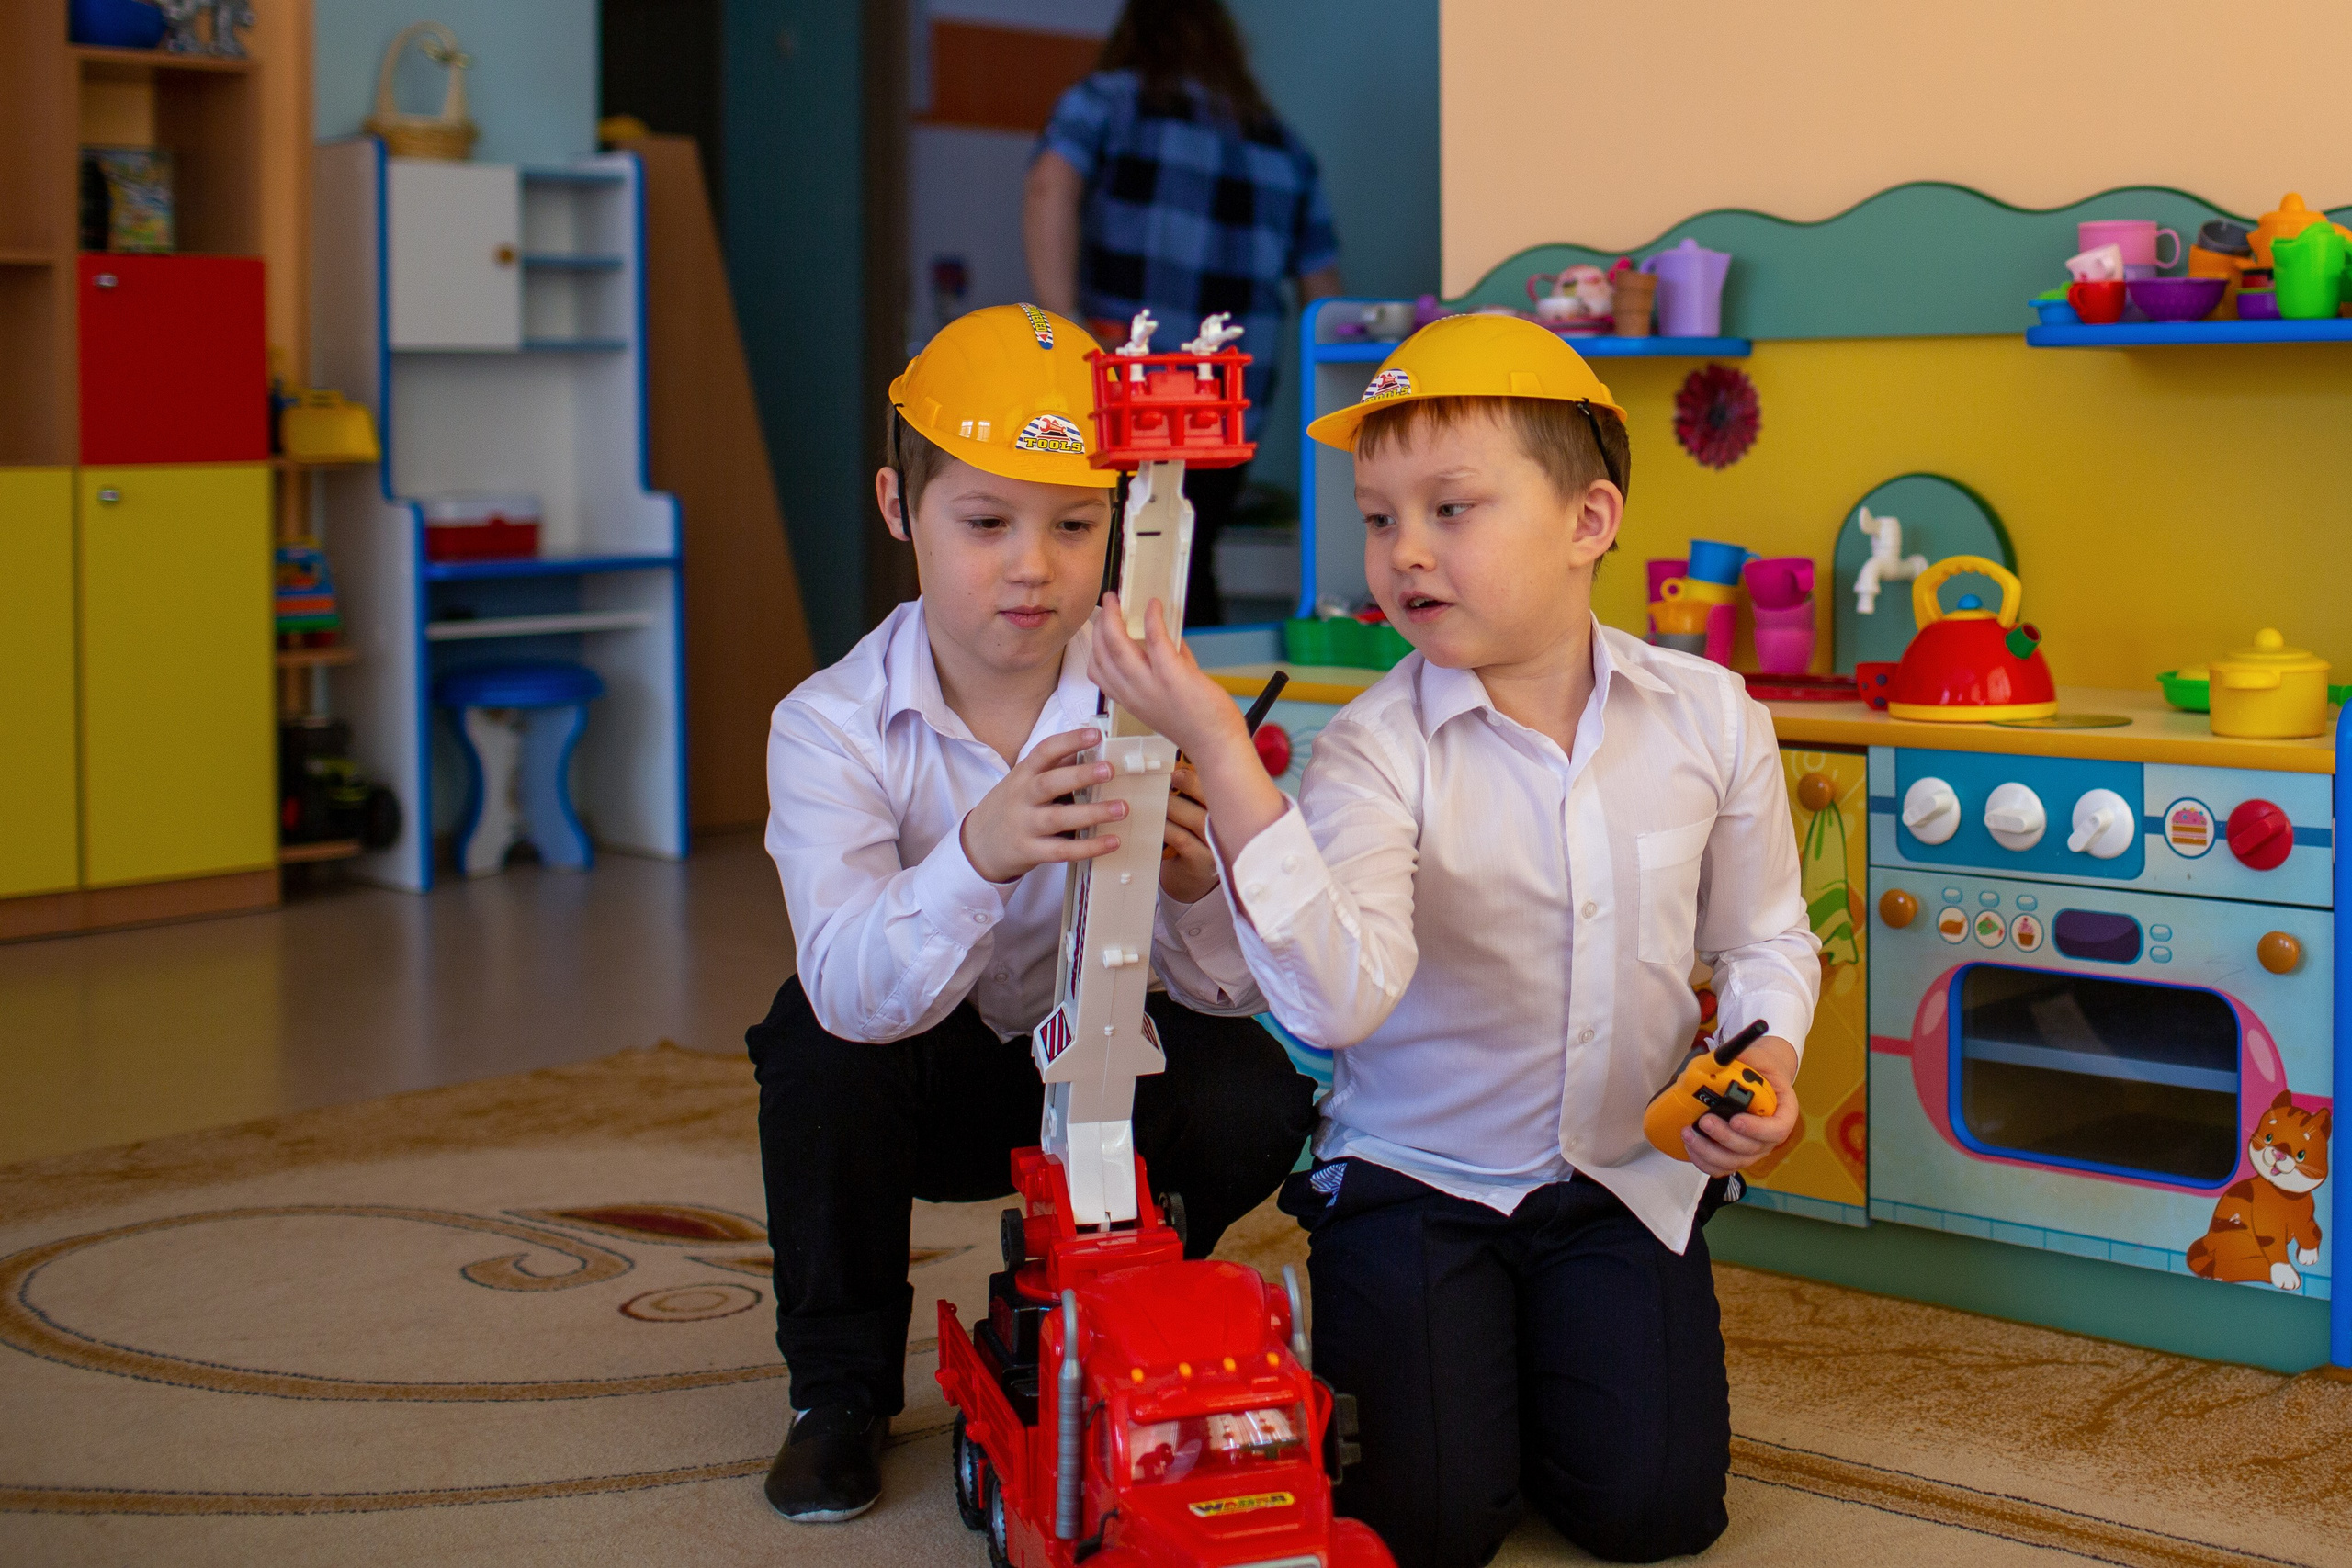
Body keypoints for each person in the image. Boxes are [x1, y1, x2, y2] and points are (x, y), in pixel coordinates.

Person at [1086, 314, 1821, 1566]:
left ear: (1589, 521)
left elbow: (1763, 937)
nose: (1405, 551)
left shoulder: (1711, 714)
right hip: (1417, 1178)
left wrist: (1777, 1064)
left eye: (1451, 508)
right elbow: (1331, 1004)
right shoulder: (1376, 744)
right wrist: (1220, 747)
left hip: (1619, 1185)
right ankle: (1434, 1348)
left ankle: (1527, 1359)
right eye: (1379, 517)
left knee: (1653, 1516)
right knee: (1425, 1527)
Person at [748, 303, 1317, 1525]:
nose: (1033, 565)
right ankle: (837, 1391)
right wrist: (978, 850)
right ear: (902, 510)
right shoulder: (829, 726)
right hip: (924, 1074)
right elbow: (852, 987)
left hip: (1093, 1067)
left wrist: (1190, 883)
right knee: (812, 1045)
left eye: (1075, 525)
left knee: (1258, 1090)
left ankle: (1126, 1302)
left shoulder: (1158, 701)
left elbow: (1231, 990)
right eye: (986, 521)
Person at [1024, 0, 1342, 626]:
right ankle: (1191, 707)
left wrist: (1060, 322)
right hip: (1229, 401)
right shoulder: (1282, 147)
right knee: (1188, 557)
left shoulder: (1105, 102)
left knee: (1111, 559)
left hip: (1127, 385)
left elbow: (1047, 187)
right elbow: (1323, 298)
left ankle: (1114, 708)